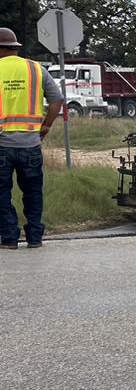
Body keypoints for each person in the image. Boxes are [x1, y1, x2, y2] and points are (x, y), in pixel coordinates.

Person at [0, 28, 63, 249]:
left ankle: (9, 237)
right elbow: (57, 100)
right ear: (15, 48)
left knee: (1, 193)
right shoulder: (37, 69)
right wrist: (45, 126)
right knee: (33, 192)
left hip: (1, 146)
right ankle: (34, 237)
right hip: (31, 144)